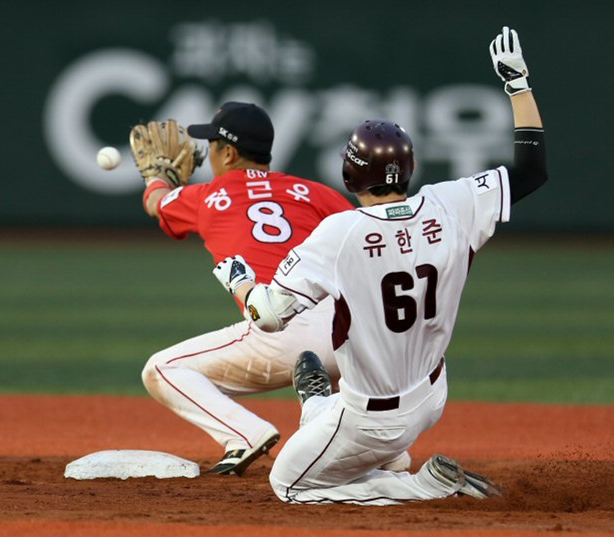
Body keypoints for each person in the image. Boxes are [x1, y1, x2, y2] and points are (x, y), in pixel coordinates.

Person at [213, 27, 547, 504]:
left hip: (372, 418)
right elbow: (533, 171)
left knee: (288, 483)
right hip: (431, 395)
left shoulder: (340, 233)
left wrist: (242, 282)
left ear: (350, 172)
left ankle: (423, 487)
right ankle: (316, 407)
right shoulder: (451, 204)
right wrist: (517, 84)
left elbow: (267, 315)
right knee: (330, 423)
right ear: (408, 169)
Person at [139, 101, 354, 476]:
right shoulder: (315, 192)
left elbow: (157, 204)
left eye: (213, 145)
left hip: (282, 329)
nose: (209, 155)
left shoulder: (209, 196)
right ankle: (383, 456)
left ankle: (244, 434)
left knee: (162, 369)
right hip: (348, 330)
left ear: (230, 152)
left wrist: (159, 179)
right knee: (349, 415)